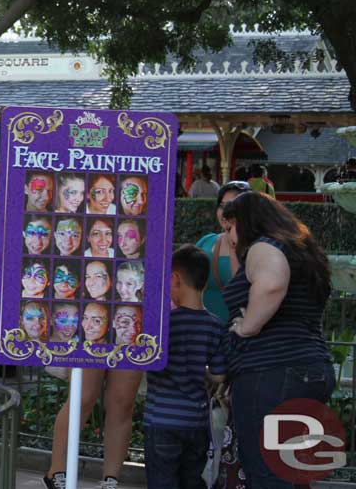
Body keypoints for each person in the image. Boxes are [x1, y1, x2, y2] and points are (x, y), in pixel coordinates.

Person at [221, 191, 334, 487]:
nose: (229, 237)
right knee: (292, 470)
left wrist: (248, 326)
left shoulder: (264, 246)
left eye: (230, 228)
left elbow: (271, 284)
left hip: (271, 373)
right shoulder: (302, 252)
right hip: (311, 369)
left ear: (246, 223)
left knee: (266, 471)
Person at [143, 245, 227, 489]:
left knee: (162, 482)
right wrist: (202, 373)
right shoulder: (215, 325)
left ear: (175, 279)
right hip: (195, 422)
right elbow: (220, 375)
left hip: (161, 420)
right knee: (192, 481)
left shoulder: (163, 325)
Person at [45, 298, 143, 489]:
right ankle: (56, 471)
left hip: (133, 308)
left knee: (121, 403)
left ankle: (111, 480)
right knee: (82, 398)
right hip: (94, 305)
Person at [195, 181, 250, 322]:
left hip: (238, 331)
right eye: (222, 206)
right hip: (203, 332)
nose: (225, 212)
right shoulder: (206, 242)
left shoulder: (259, 248)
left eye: (232, 206)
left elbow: (242, 292)